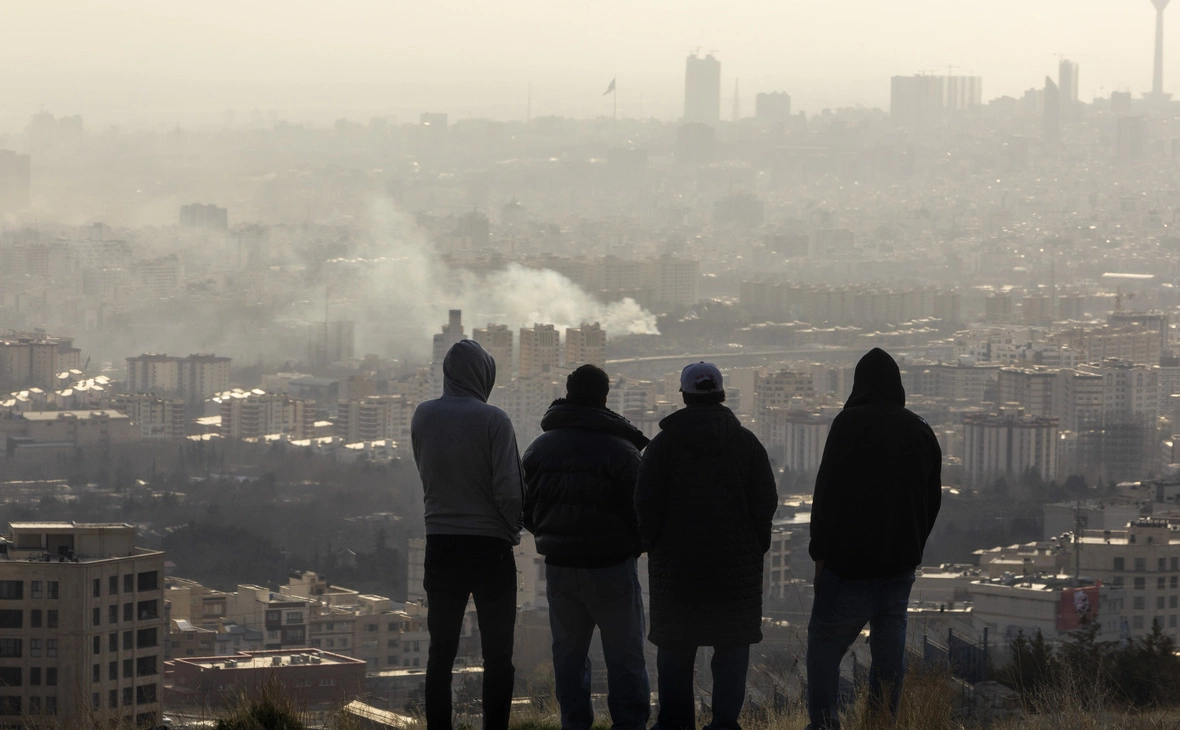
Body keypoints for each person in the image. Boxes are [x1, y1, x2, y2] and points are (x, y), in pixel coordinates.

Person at [635, 362, 778, 730]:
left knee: (675, 650)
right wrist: (753, 546)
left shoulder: (662, 446)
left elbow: (645, 505)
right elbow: (765, 501)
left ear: (683, 396)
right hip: (734, 571)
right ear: (721, 394)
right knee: (731, 647)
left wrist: (657, 548)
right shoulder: (746, 443)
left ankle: (675, 723)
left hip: (677, 571)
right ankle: (725, 723)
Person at [806, 347, 942, 730]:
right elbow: (932, 500)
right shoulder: (921, 429)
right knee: (888, 655)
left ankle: (824, 724)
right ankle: (882, 722)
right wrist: (912, 548)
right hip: (898, 569)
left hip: (848, 567)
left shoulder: (848, 425)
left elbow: (826, 493)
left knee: (824, 649)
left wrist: (820, 556)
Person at [522, 364, 651, 730]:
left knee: (568, 656)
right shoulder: (623, 450)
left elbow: (523, 508)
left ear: (568, 392)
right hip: (612, 567)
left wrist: (552, 535)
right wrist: (632, 546)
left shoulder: (538, 449)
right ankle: (629, 724)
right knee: (625, 657)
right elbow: (645, 513)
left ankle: (574, 723)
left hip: (560, 569)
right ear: (605, 398)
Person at [411, 339, 524, 730]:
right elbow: (509, 489)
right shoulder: (495, 420)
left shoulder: (423, 416)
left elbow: (426, 471)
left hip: (440, 544)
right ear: (483, 375)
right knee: (498, 655)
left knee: (440, 653)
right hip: (490, 548)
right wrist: (513, 529)